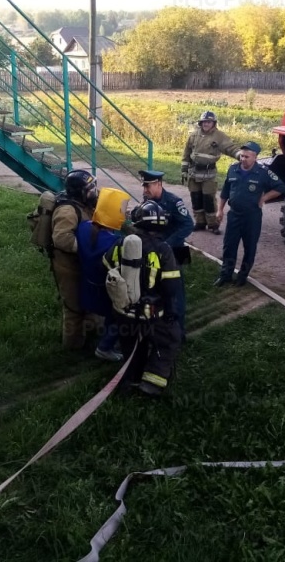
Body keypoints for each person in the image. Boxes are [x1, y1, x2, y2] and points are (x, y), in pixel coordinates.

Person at [103, 200, 183, 397]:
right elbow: (171, 286)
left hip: (123, 311)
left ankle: (130, 381)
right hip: (153, 314)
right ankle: (153, 382)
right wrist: (170, 310)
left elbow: (106, 266)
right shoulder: (163, 249)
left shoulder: (122, 243)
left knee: (130, 348)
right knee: (169, 341)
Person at [214, 141, 285, 287]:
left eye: (247, 157)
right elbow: (225, 192)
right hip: (234, 215)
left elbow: (281, 188)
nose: (243, 159)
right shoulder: (232, 169)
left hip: (252, 217)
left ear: (255, 157)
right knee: (229, 246)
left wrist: (264, 198)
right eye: (241, 156)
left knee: (250, 247)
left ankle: (242, 276)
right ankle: (225, 275)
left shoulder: (263, 172)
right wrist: (220, 209)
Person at [76, 187, 131, 362]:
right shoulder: (115, 242)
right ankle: (105, 347)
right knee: (120, 314)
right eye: (121, 210)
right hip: (104, 293)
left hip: (86, 288)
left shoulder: (83, 228)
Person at [138, 169, 194, 338]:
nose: (145, 190)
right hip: (155, 251)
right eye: (144, 186)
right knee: (155, 288)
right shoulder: (147, 201)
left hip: (175, 250)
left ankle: (179, 331)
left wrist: (167, 244)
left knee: (176, 292)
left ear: (158, 184)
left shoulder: (173, 202)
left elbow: (188, 225)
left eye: (147, 186)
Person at [51, 169, 98, 350]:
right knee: (74, 308)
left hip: (81, 264)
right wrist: (87, 249)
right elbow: (61, 238)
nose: (94, 191)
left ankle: (90, 335)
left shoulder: (83, 204)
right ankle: (73, 347)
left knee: (87, 301)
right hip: (68, 267)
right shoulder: (67, 210)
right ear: (80, 191)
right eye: (90, 188)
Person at [181, 111, 242, 234]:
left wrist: (241, 155)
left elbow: (230, 147)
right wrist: (184, 170)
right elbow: (186, 153)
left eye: (209, 122)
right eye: (204, 122)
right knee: (196, 198)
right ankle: (200, 222)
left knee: (209, 200)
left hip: (209, 174)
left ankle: (213, 225)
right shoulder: (193, 135)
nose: (206, 124)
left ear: (213, 123)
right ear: (201, 122)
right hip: (194, 173)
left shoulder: (219, 136)